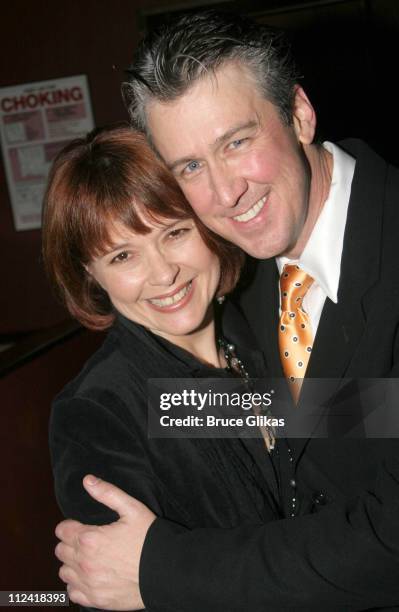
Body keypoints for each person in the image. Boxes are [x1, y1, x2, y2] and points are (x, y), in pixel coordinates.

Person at [54, 10, 399, 611]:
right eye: (190, 166)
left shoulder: (237, 322)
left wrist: (164, 566)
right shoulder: (108, 406)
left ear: (299, 115)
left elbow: (342, 416)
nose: (225, 194)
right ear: (90, 273)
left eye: (236, 142)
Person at [44, 124, 283, 610]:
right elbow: (115, 591)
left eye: (174, 233)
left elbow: (369, 421)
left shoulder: (264, 328)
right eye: (123, 255)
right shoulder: (99, 411)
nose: (163, 273)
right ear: (91, 273)